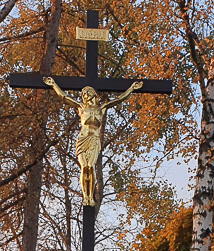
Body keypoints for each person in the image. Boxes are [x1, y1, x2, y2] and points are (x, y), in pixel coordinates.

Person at [44, 77, 142, 206]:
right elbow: (65, 97)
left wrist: (131, 88)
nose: (85, 95)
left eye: (87, 92)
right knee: (84, 167)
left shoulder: (102, 108)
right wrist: (53, 85)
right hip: (83, 139)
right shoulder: (81, 107)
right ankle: (86, 197)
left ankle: (91, 196)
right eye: (83, 93)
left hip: (94, 139)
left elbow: (119, 99)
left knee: (91, 166)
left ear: (93, 93)